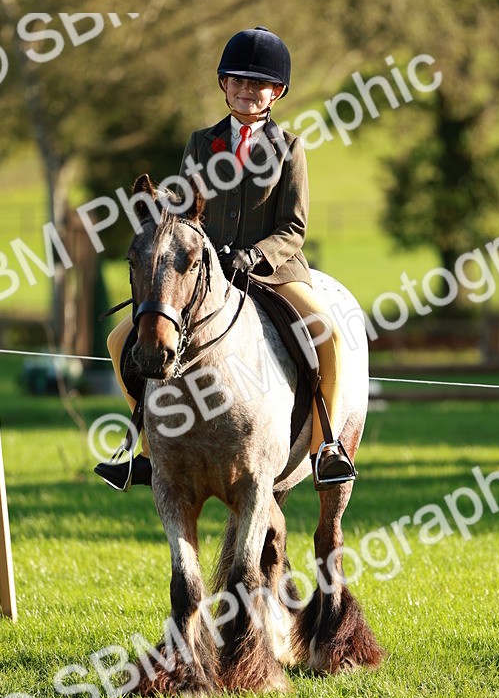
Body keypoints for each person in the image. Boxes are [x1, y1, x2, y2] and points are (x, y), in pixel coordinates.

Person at [98, 26, 356, 491]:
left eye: (257, 84)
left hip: (273, 273)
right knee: (122, 340)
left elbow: (293, 228)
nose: (246, 90)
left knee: (327, 332)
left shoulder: (290, 148)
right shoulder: (201, 142)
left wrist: (253, 255)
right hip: (205, 274)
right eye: (237, 80)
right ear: (224, 85)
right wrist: (199, 253)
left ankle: (326, 447)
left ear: (276, 92)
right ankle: (147, 450)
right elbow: (182, 215)